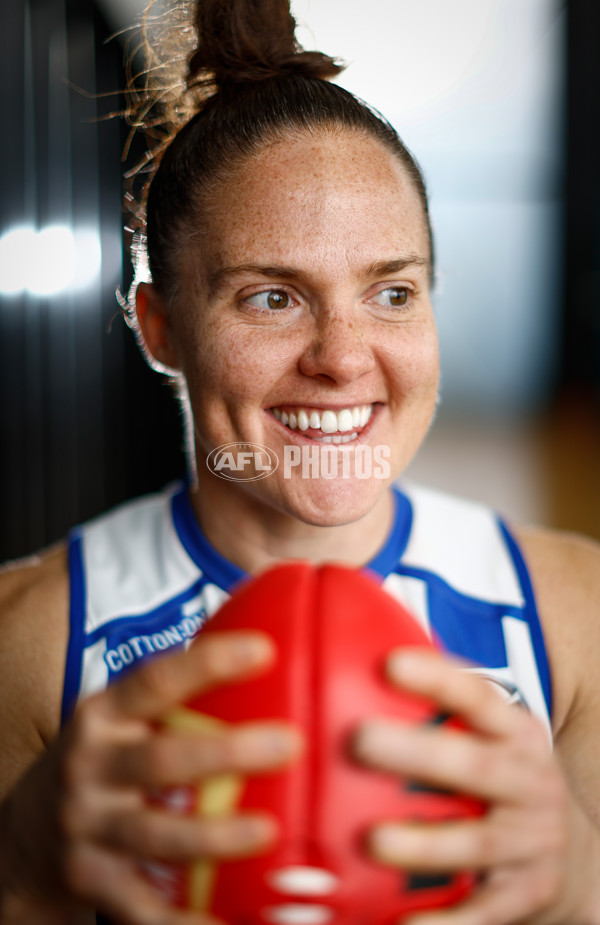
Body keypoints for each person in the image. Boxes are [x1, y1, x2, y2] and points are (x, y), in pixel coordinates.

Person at [1, 0, 600, 922]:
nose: (345, 358)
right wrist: (32, 868)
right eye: (273, 297)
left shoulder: (577, 618)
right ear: (160, 326)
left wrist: (573, 888)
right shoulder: (26, 645)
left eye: (392, 291)